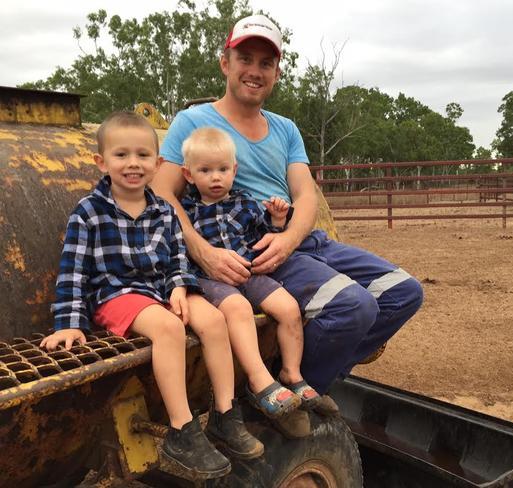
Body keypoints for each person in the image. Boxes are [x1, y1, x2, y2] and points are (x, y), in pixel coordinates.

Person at [152, 14, 423, 397]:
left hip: (298, 240)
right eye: (245, 59)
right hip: (253, 245)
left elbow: (306, 194)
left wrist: (289, 239)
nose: (255, 71)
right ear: (225, 63)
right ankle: (288, 392)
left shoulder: (286, 128)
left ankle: (306, 381)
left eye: (266, 63)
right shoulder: (193, 122)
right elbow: (161, 196)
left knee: (404, 292)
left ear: (277, 72)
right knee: (355, 307)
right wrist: (204, 251)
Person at [39, 112, 263, 479]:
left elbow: (177, 258)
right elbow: (73, 270)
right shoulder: (89, 212)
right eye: (122, 155)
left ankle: (224, 413)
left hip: (161, 289)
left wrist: (178, 286)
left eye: (143, 156)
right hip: (117, 295)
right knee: (169, 329)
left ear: (158, 165)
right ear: (102, 161)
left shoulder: (163, 210)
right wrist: (68, 322)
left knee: (213, 318)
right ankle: (181, 431)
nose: (133, 164)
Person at [180, 127, 336, 417]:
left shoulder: (245, 204)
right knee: (238, 308)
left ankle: (291, 373)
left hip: (249, 272)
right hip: (210, 280)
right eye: (205, 170)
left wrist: (277, 220)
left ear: (234, 170)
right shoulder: (185, 212)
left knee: (289, 307)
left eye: (223, 169)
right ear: (188, 174)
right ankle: (259, 380)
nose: (216, 177)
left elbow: (263, 236)